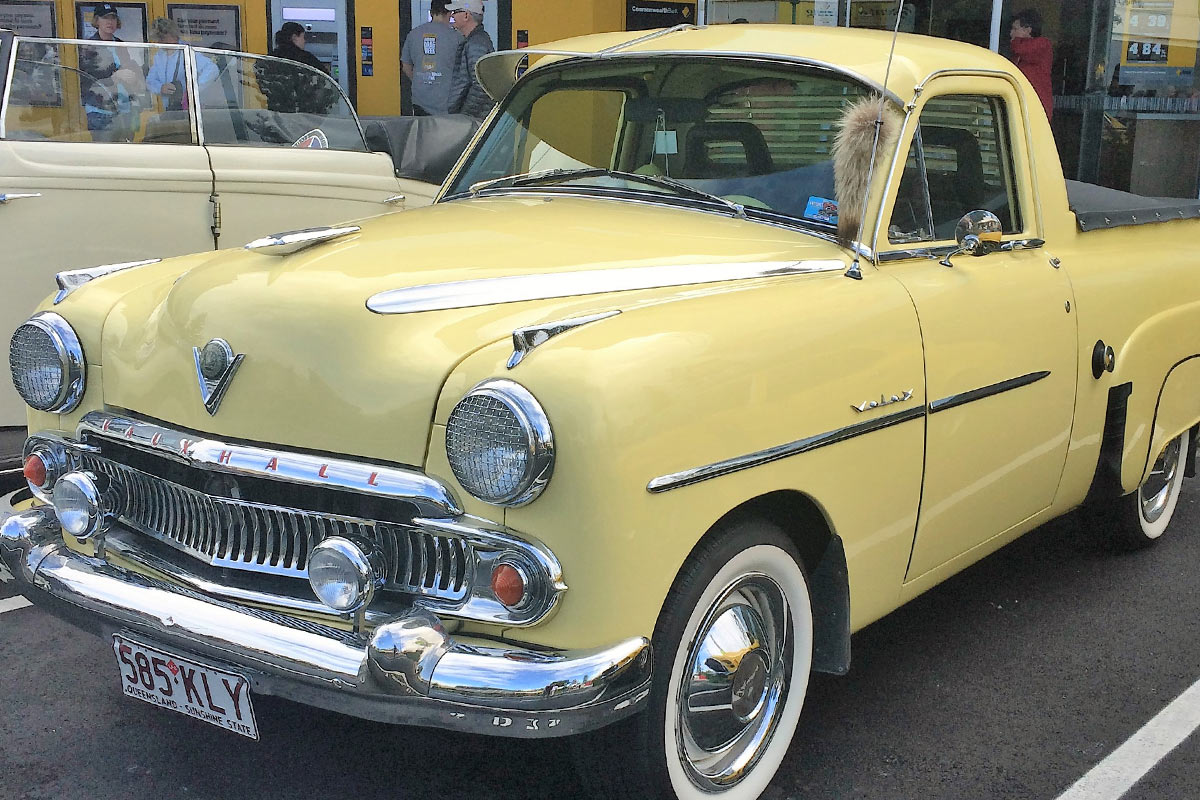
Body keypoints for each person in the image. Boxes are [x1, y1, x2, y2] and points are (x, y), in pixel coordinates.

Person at [78, 2, 146, 141]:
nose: (110, 22)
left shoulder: (120, 44)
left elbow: (129, 67)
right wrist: (114, 77)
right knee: (106, 150)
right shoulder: (89, 46)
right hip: (101, 110)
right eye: (105, 18)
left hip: (124, 108)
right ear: (97, 21)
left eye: (113, 18)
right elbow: (87, 80)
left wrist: (134, 77)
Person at [145, 17, 218, 111]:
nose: (161, 41)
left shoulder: (187, 51)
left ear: (173, 34)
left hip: (188, 109)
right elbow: (150, 81)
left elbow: (212, 69)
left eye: (163, 37)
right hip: (169, 109)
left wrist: (192, 90)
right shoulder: (159, 56)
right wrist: (160, 88)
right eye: (159, 38)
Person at [401, 0, 459, 115]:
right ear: (449, 13)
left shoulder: (413, 34)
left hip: (420, 100)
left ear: (431, 12)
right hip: (446, 102)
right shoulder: (457, 37)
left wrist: (419, 80)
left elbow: (405, 66)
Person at [446, 0, 495, 120]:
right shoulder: (476, 40)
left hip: (473, 119)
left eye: (455, 11)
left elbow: (480, 86)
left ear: (466, 16)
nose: (452, 15)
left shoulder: (476, 44)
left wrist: (465, 117)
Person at [1008, 8, 1053, 121]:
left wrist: (1016, 41)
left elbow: (1021, 50)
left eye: (1015, 29)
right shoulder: (1020, 53)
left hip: (1037, 106)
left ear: (1028, 30)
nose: (1011, 33)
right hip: (1025, 102)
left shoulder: (1042, 44)